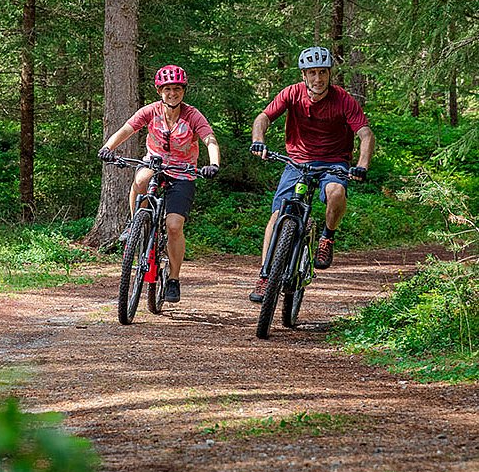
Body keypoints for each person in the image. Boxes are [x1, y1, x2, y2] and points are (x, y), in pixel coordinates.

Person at [248, 46, 375, 302]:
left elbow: (365, 134)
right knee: (276, 217)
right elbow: (263, 117)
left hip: (334, 162)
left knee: (336, 192)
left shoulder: (343, 100)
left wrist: (361, 165)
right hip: (297, 161)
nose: (318, 79)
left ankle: (327, 237)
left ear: (330, 74)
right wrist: (258, 140)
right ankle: (264, 277)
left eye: (323, 73)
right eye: (312, 73)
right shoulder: (292, 94)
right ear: (304, 75)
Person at [98, 65, 220, 304]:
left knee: (174, 226)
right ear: (159, 91)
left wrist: (213, 163)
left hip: (183, 172)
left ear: (183, 91)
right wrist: (107, 148)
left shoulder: (192, 115)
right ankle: (135, 223)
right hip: (154, 164)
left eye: (176, 89)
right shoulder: (150, 111)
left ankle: (173, 278)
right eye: (167, 89)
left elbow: (209, 139)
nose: (172, 93)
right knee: (141, 177)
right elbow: (126, 129)